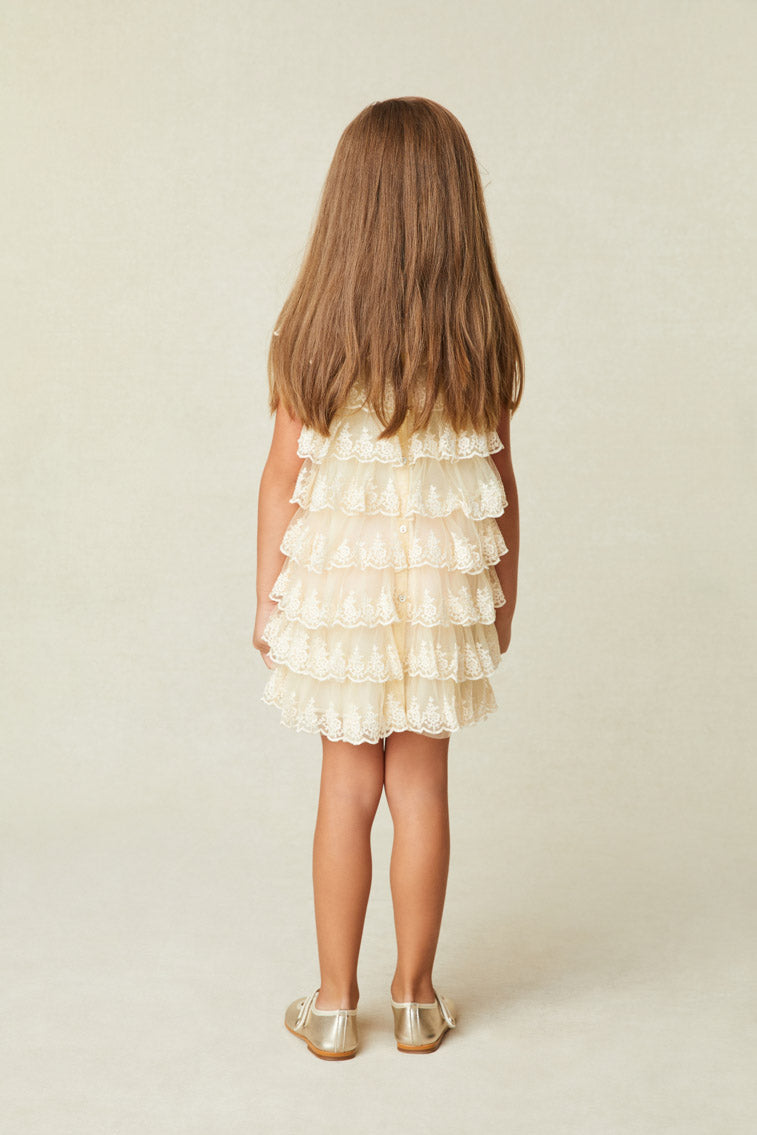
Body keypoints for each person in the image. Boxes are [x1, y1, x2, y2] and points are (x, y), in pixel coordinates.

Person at [252, 96, 523, 1060]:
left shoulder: (311, 333)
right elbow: (500, 482)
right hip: (442, 589)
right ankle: (415, 998)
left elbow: (280, 477)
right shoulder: (477, 336)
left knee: (344, 786)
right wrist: (500, 597)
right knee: (420, 785)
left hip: (344, 594)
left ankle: (334, 1004)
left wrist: (268, 599)